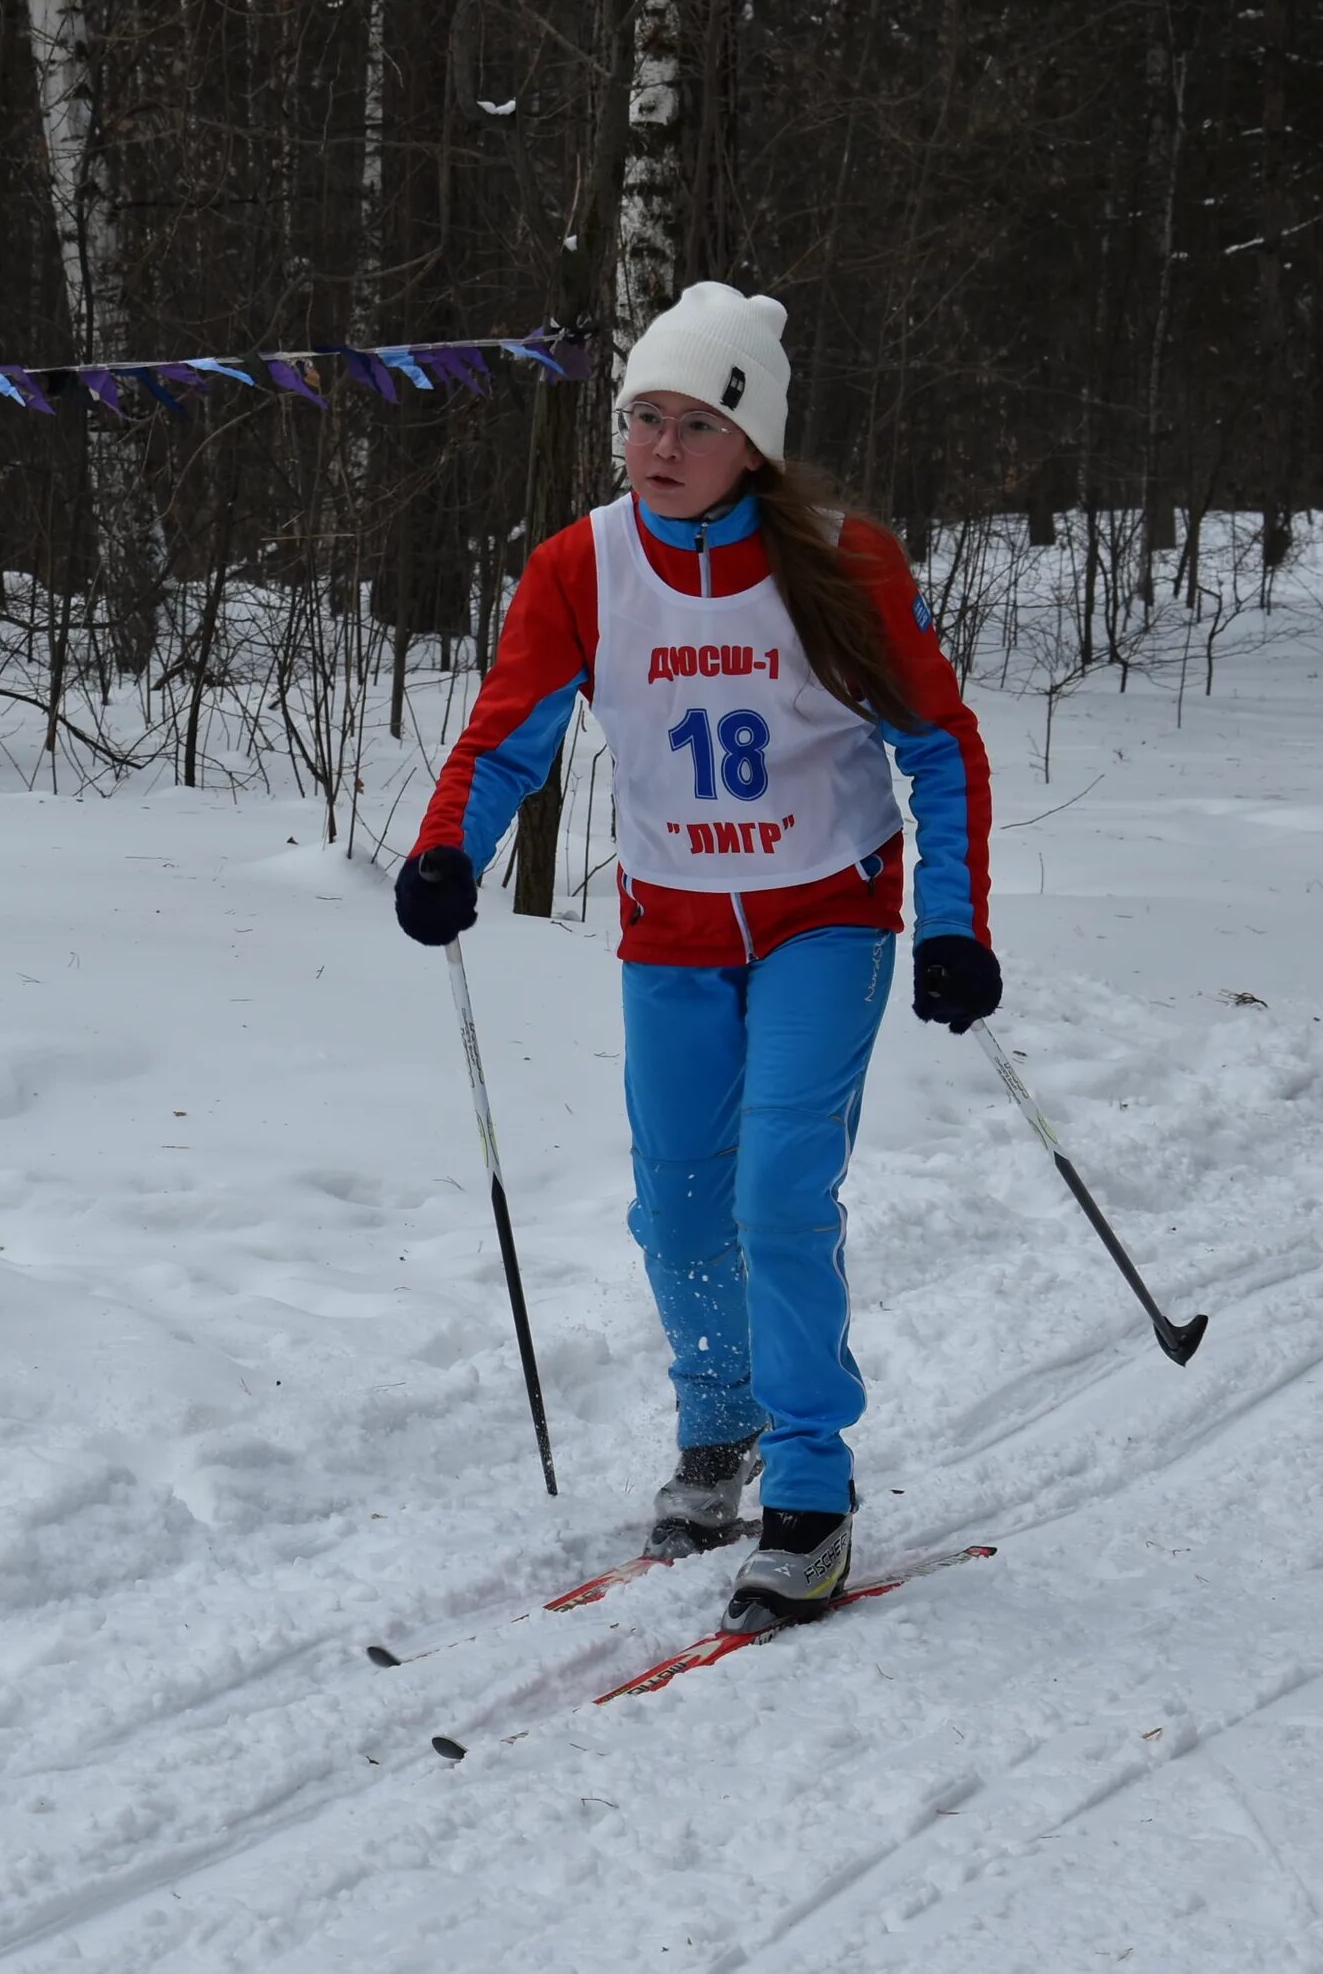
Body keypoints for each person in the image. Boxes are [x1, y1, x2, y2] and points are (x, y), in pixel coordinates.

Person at [394, 281, 997, 1633]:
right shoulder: (579, 567)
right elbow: (506, 739)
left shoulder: (841, 563)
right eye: (638, 417)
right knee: (676, 1207)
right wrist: (450, 852)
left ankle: (810, 1489)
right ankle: (716, 1428)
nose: (657, 447)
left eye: (689, 422)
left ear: (753, 440)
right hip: (671, 927)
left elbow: (937, 748)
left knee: (779, 1189)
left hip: (822, 918)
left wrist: (954, 924)